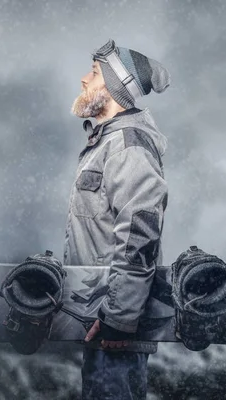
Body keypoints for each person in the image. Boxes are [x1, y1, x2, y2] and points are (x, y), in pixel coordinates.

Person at [64, 39, 171, 400]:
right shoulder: (108, 142)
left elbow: (141, 233)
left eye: (93, 74)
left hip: (114, 328)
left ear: (115, 88)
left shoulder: (128, 145)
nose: (83, 80)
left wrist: (120, 319)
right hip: (100, 319)